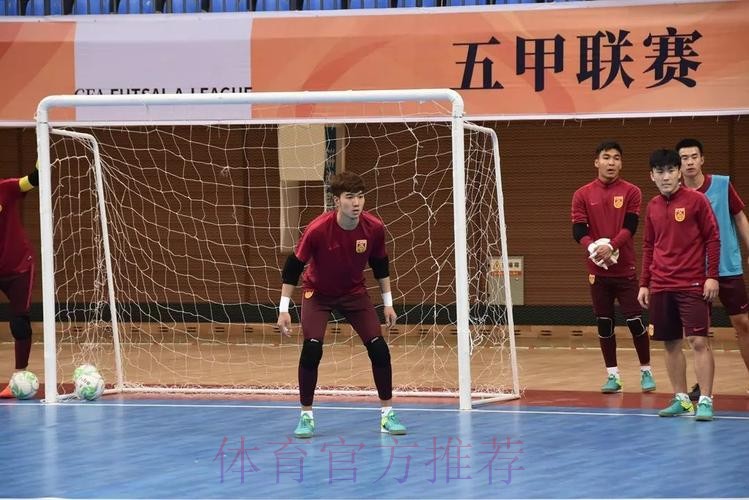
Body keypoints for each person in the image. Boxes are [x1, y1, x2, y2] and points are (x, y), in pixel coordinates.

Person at [276, 171, 405, 438]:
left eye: (360, 196)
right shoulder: (317, 229)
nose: (356, 203)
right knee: (312, 349)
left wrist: (388, 304)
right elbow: (293, 267)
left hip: (354, 294)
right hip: (318, 294)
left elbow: (381, 266)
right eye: (350, 197)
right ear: (337, 201)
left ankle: (387, 414)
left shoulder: (374, 228)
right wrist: (283, 309)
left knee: (379, 349)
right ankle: (306, 416)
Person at [638, 149, 720, 421]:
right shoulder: (652, 206)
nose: (666, 177)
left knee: (698, 341)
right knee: (670, 343)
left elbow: (713, 239)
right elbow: (649, 246)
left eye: (671, 170)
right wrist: (645, 283)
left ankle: (705, 400)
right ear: (652, 176)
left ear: (679, 172)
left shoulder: (697, 200)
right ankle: (682, 399)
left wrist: (712, 276)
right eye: (660, 172)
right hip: (661, 285)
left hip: (693, 283)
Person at [571, 141, 655, 393]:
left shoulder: (632, 191)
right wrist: (593, 248)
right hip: (597, 272)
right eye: (606, 157)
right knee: (604, 323)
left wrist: (612, 246)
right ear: (596, 162)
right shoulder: (582, 194)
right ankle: (613, 376)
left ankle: (646, 371)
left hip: (625, 270)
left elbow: (630, 226)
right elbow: (578, 230)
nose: (611, 162)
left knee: (635, 321)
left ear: (621, 163)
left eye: (616, 158)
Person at [676, 138, 749, 401]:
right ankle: (703, 385)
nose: (690, 162)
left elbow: (739, 217)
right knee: (698, 334)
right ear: (678, 164)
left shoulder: (721, 184)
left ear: (702, 159)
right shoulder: (676, 194)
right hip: (694, 273)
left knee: (743, 323)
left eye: (694, 156)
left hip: (727, 266)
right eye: (684, 158)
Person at [0, 163, 39, 398]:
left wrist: (42, 158)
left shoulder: (6, 188)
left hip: (19, 266)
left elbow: (34, 179)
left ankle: (19, 377)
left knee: (19, 322)